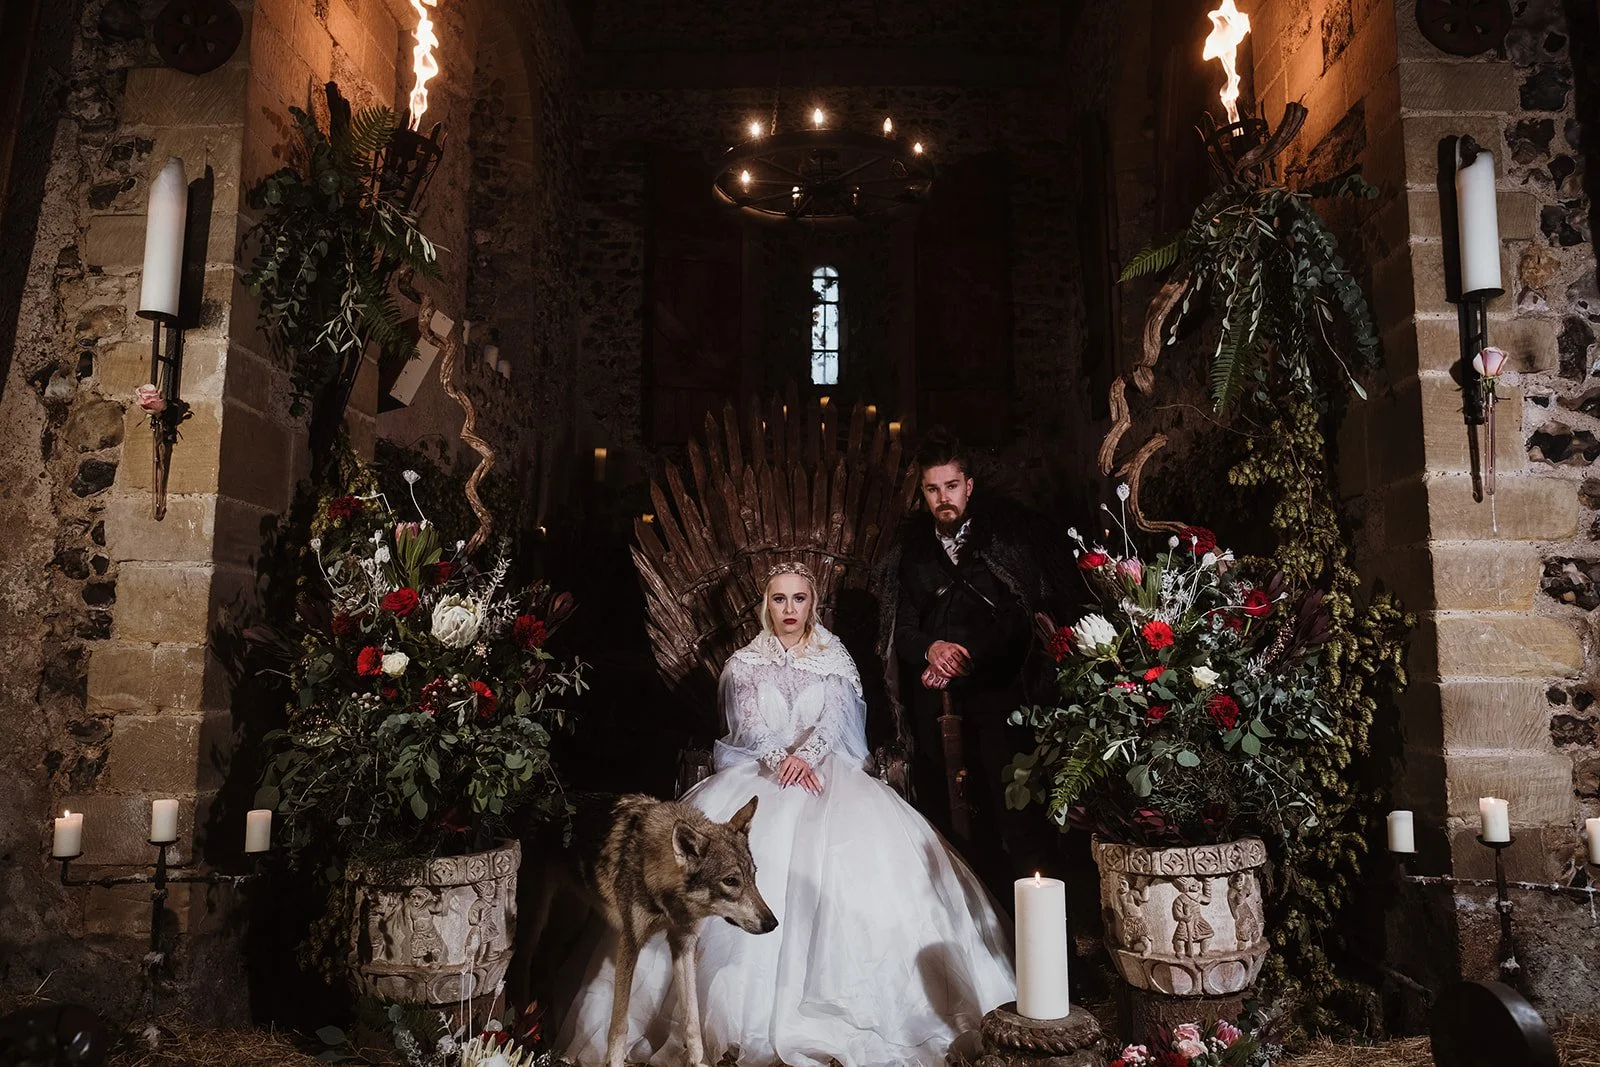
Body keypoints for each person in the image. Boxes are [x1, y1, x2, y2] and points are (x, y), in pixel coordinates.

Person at [556, 563, 1015, 1067]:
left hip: (828, 775)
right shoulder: (745, 663)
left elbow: (837, 719)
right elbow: (748, 727)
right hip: (761, 776)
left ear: (812, 604)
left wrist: (808, 757)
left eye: (799, 600)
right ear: (766, 605)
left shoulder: (834, 656)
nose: (790, 610)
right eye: (779, 600)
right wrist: (782, 760)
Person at [879, 428, 1067, 908]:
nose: (943, 498)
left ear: (969, 486)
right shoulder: (910, 550)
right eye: (932, 489)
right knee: (950, 821)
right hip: (932, 704)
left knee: (1015, 818)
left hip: (999, 698)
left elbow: (1019, 619)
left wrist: (960, 657)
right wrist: (931, 649)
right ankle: (972, 935)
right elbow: (900, 627)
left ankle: (1036, 937)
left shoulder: (1005, 539)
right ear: (922, 493)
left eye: (951, 486)